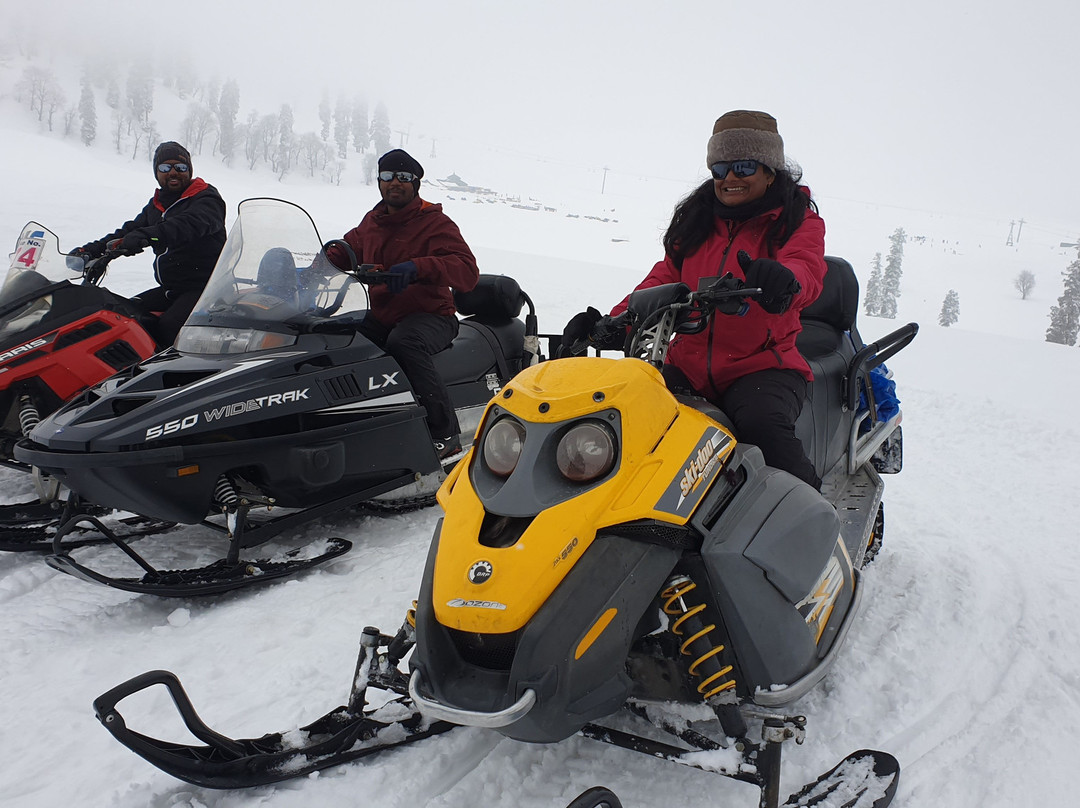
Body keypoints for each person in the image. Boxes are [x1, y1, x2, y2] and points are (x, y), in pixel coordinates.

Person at [562, 110, 827, 488]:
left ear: (770, 171)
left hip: (762, 365)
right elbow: (665, 277)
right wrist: (613, 320)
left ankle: (817, 515)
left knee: (762, 426)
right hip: (687, 365)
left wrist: (785, 281)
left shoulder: (796, 221)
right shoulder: (698, 220)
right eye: (720, 169)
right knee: (626, 413)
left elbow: (806, 265)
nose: (729, 178)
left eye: (743, 167)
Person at [326, 149, 480, 460]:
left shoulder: (435, 223)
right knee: (336, 335)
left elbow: (467, 271)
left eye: (403, 177)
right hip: (384, 315)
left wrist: (418, 268)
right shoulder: (373, 222)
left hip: (433, 316)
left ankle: (444, 433)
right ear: (379, 181)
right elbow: (345, 251)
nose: (394, 182)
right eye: (387, 176)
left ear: (415, 183)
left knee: (405, 342)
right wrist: (312, 267)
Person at [73, 141, 226, 347]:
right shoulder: (156, 205)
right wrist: (93, 250)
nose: (173, 172)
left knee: (169, 327)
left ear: (189, 171)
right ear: (156, 172)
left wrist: (148, 235)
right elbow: (129, 230)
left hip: (206, 288)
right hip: (171, 288)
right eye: (165, 167)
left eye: (180, 167)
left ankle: (174, 367)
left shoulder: (206, 198)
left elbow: (189, 225)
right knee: (124, 315)